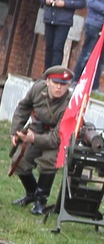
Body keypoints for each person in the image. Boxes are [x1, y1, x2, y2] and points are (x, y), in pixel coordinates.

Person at [10, 66, 74, 215]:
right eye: (55, 82)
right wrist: (15, 130)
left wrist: (34, 138)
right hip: (37, 129)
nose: (59, 87)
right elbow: (23, 107)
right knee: (19, 161)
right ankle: (31, 193)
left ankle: (40, 201)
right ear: (47, 81)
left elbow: (57, 138)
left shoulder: (70, 104)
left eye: (63, 84)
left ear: (69, 85)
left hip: (56, 139)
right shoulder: (38, 89)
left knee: (49, 161)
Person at [39, 0, 85, 69]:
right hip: (50, 17)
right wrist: (46, 0)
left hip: (64, 20)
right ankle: (46, 74)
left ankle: (54, 74)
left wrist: (65, 3)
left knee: (58, 47)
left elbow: (82, 3)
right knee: (49, 46)